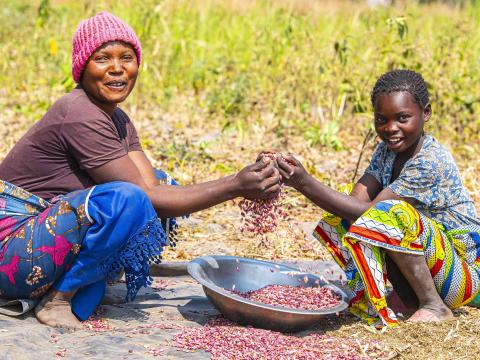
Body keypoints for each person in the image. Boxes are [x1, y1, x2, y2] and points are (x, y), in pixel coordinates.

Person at [0, 11, 280, 330]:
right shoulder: (78, 112)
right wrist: (235, 185)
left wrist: (244, 180)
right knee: (127, 201)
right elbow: (142, 197)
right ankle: (59, 298)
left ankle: (96, 278)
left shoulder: (118, 120)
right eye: (103, 58)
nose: (117, 69)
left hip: (41, 242)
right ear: (82, 68)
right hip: (11, 253)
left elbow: (154, 189)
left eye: (127, 58)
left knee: (158, 184)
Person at [269, 69, 480, 327]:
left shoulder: (430, 160)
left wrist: (304, 182)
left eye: (402, 118)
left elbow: (371, 211)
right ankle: (405, 299)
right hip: (434, 265)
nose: (390, 128)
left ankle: (434, 305)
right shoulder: (386, 151)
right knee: (345, 211)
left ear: (426, 113)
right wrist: (293, 176)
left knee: (390, 212)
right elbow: (357, 201)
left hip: (463, 276)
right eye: (381, 119)